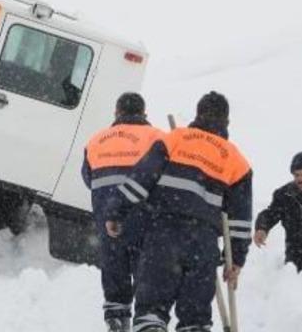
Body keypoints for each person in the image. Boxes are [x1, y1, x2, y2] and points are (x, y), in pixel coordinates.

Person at [106, 91, 253, 332]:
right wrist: (235, 259)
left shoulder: (174, 139)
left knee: (151, 312)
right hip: (203, 244)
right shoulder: (237, 161)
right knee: (195, 318)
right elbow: (240, 219)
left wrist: (116, 212)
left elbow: (140, 180)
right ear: (226, 122)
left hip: (163, 235)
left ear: (197, 114)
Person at [81, 92, 165, 332]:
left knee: (114, 268)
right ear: (144, 113)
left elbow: (89, 179)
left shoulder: (95, 141)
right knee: (146, 271)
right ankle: (148, 322)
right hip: (145, 218)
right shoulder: (157, 138)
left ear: (117, 113)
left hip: (108, 219)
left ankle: (117, 319)